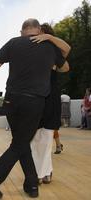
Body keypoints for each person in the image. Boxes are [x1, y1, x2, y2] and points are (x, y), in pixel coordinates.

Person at [0, 19, 69, 199]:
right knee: (20, 143)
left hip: (11, 102)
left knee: (21, 141)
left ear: (22, 31)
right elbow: (65, 67)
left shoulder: (14, 42)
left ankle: (32, 185)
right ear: (39, 30)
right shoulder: (49, 46)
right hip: (34, 103)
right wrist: (49, 44)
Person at [30, 23, 70, 184]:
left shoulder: (52, 50)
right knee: (34, 138)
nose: (37, 34)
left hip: (50, 97)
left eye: (41, 32)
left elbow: (67, 50)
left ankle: (41, 173)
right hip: (34, 97)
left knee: (46, 138)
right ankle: (44, 171)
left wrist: (50, 38)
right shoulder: (31, 48)